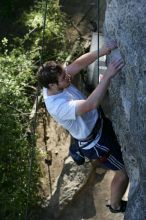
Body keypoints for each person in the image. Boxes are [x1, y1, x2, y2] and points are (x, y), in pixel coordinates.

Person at [37, 41, 129, 213]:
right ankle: (115, 206)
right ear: (52, 86)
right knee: (124, 171)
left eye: (64, 73)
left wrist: (103, 50)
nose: (68, 77)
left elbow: (78, 64)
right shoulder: (57, 105)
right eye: (63, 78)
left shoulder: (58, 79)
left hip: (99, 124)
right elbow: (90, 104)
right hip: (96, 141)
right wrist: (108, 76)